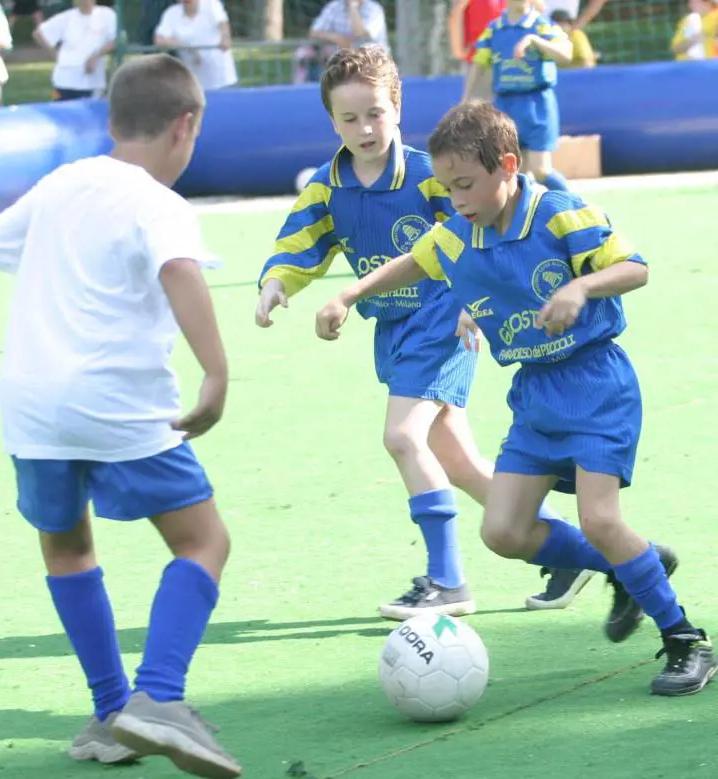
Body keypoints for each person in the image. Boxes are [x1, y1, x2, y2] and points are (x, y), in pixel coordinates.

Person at [315, 100, 717, 696]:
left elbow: (635, 267)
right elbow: (414, 262)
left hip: (596, 383)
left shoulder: (558, 213)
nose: (456, 199)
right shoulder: (458, 233)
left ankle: (686, 640)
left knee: (600, 518)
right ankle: (634, 563)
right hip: (534, 393)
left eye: (465, 185)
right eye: (447, 189)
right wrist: (347, 296)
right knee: (502, 532)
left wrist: (581, 286)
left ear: (507, 165)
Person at [0, 53, 242, 775]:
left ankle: (108, 711)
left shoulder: (63, 181)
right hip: (115, 402)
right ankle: (157, 697)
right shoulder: (158, 202)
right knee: (203, 542)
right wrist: (216, 371)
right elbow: (180, 271)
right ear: (185, 127)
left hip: (30, 405)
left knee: (67, 547)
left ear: (111, 121)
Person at [256, 46, 592, 620]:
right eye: (349, 118)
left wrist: (476, 301)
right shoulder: (327, 186)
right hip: (392, 330)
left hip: (442, 321)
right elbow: (299, 241)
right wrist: (276, 281)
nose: (365, 129)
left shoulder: (432, 177)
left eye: (376, 113)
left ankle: (448, 581)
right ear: (331, 121)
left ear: (398, 108)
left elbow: (480, 229)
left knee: (403, 438)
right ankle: (575, 551)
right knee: (457, 463)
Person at [463, 0, 572, 191]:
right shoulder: (494, 28)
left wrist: (535, 41)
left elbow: (566, 54)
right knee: (510, 172)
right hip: (505, 105)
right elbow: (479, 63)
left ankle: (575, 207)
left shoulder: (542, 25)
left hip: (538, 104)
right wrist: (466, 98)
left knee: (541, 170)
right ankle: (522, 217)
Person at [33, 0, 117, 101]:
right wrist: (54, 53)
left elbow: (117, 40)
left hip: (91, 83)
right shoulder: (66, 17)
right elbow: (39, 33)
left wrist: (96, 56)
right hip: (61, 82)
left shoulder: (107, 15)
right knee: (58, 112)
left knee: (88, 114)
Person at [154, 0, 237, 91]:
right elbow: (160, 40)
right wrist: (188, 48)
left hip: (223, 79)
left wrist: (225, 37)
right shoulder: (171, 13)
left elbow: (223, 23)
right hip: (194, 84)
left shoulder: (212, 4)